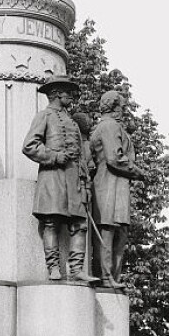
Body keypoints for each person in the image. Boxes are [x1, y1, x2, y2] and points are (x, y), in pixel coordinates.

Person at [22, 76, 99, 283]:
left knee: (80, 224)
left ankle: (76, 269)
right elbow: (29, 146)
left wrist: (86, 185)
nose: (71, 96)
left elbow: (82, 157)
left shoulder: (73, 122)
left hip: (74, 179)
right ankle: (53, 267)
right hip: (53, 177)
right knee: (52, 222)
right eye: (67, 91)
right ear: (56, 93)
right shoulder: (44, 116)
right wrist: (54, 156)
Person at [89, 90, 144, 289]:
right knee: (108, 231)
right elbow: (114, 158)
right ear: (113, 108)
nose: (123, 111)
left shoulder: (109, 126)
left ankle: (111, 276)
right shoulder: (110, 126)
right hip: (109, 185)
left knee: (117, 232)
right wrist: (138, 172)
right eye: (121, 107)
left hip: (115, 185)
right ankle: (106, 277)